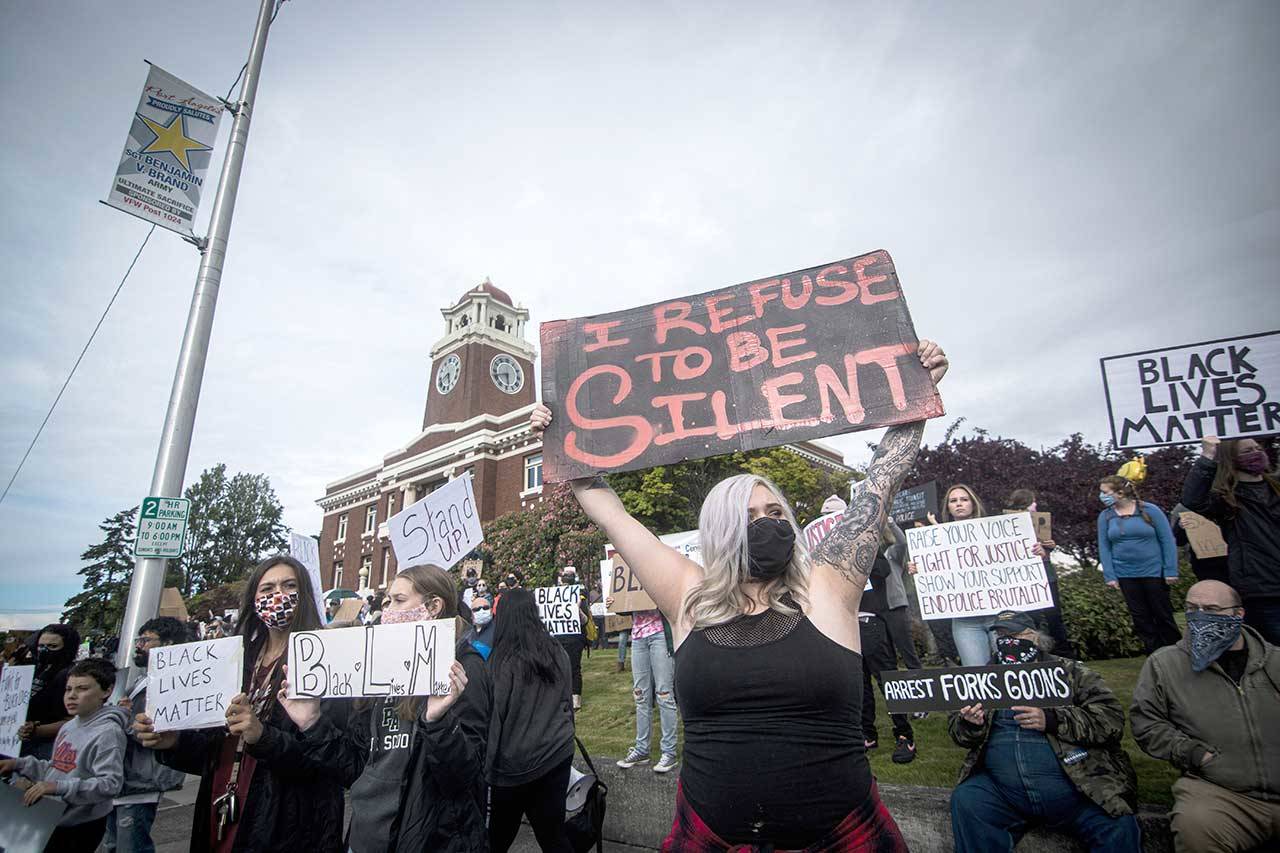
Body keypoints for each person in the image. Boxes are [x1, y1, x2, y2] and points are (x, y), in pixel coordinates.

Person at [531, 338, 947, 851]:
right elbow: (610, 511)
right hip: (710, 836)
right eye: (748, 518)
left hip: (842, 837)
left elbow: (880, 484)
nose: (767, 526)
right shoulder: (690, 595)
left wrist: (916, 390)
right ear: (719, 529)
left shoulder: (827, 587)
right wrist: (564, 438)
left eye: (776, 515)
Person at [134, 555, 345, 853]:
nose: (277, 596)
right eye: (267, 589)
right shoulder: (235, 660)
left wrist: (263, 737)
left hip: (287, 822)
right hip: (223, 801)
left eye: (289, 586)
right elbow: (213, 748)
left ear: (305, 596)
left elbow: (331, 761)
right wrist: (173, 741)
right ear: (253, 599)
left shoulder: (324, 659)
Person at [279, 564, 491, 853]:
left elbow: (467, 776)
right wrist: (312, 723)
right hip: (363, 839)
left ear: (433, 607)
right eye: (387, 601)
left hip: (429, 841)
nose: (388, 609)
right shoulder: (375, 668)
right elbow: (354, 766)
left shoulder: (464, 668)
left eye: (399, 600)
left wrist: (438, 722)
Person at [947, 612, 1140, 852]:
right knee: (968, 801)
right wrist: (971, 724)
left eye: (1014, 634)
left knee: (1117, 826)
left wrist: (1051, 719)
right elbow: (957, 732)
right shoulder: (982, 679)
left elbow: (1110, 721)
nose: (1006, 641)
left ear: (1034, 637)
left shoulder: (1070, 672)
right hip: (1004, 793)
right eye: (1001, 635)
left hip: (1078, 790)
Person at [1130, 580, 1280, 853]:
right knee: (1194, 825)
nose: (1200, 616)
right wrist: (1195, 754)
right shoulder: (1165, 663)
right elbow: (1146, 722)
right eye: (1191, 608)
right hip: (1221, 790)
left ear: (1238, 614)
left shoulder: (1275, 661)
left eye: (1211, 609)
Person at [1, 657, 129, 852]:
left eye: (83, 689)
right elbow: (57, 768)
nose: (72, 696)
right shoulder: (69, 726)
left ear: (107, 691)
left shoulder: (108, 732)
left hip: (81, 825)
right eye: (69, 689)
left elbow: (110, 784)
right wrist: (19, 764)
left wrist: (58, 787)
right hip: (54, 818)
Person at [485, 588, 576, 853]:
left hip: (513, 767)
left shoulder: (501, 662)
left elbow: (495, 720)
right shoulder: (556, 650)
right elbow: (567, 703)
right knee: (553, 835)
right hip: (555, 753)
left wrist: (486, 772)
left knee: (497, 838)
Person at [1181, 436, 1280, 644]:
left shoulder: (1276, 488)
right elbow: (1192, 499)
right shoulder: (1226, 500)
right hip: (1262, 588)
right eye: (1247, 451)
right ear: (1231, 459)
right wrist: (1208, 456)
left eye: (1257, 447)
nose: (1256, 453)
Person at [106, 617, 188, 853]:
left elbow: (162, 727)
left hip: (143, 778)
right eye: (138, 640)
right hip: (125, 777)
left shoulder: (173, 681)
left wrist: (125, 720)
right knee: (113, 844)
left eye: (145, 640)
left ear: (168, 643)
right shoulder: (142, 679)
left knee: (130, 845)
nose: (138, 645)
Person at [1097, 474, 1180, 653]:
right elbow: (1104, 546)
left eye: (1105, 492)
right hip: (1126, 573)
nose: (1102, 496)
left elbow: (1167, 540)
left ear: (1120, 492)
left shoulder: (1150, 510)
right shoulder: (1106, 516)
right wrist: (1110, 575)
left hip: (1153, 571)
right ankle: (1154, 654)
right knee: (1141, 618)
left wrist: (1170, 569)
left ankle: (1176, 652)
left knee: (1162, 614)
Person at [858, 541, 916, 763]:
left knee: (887, 681)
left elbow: (883, 571)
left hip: (870, 622)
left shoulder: (867, 545)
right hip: (845, 625)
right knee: (860, 684)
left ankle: (905, 734)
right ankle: (867, 734)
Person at [613, 598, 680, 775]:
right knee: (640, 696)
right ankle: (642, 749)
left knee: (664, 694)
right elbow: (628, 604)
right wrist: (616, 603)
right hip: (638, 637)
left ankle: (669, 752)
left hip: (660, 636)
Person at [1006, 489, 1074, 657]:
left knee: (1053, 617)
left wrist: (1050, 545)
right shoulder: (1007, 523)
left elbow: (1048, 546)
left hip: (1045, 572)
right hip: (1025, 576)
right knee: (1034, 617)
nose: (1035, 505)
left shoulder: (1042, 522)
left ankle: (1063, 653)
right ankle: (1036, 653)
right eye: (1033, 501)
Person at [942, 484, 1000, 665]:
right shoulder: (937, 540)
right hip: (965, 620)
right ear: (948, 507)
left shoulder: (996, 531)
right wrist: (919, 570)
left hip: (1000, 614)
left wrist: (1037, 550)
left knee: (1012, 671)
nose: (959, 504)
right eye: (953, 501)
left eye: (964, 499)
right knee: (977, 678)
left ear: (973, 504)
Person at [19, 622, 80, 759]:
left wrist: (37, 731)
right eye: (41, 646)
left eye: (52, 646)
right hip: (21, 745)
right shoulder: (38, 669)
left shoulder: (70, 676)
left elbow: (73, 720)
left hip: (44, 749)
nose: (44, 651)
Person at [551, 566, 590, 711]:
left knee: (574, 667)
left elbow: (585, 620)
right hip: (558, 637)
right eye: (564, 575)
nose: (566, 578)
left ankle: (575, 699)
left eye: (569, 575)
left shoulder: (581, 595)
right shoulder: (554, 595)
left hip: (575, 638)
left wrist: (577, 609)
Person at [1168, 503, 1230, 584]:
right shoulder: (1185, 507)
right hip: (1204, 564)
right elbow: (1179, 541)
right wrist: (1180, 527)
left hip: (1230, 560)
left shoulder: (1229, 505)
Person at [467, 591, 495, 660]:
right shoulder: (467, 635)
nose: (481, 611)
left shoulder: (498, 631)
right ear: (472, 615)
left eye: (485, 608)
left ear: (491, 611)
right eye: (477, 609)